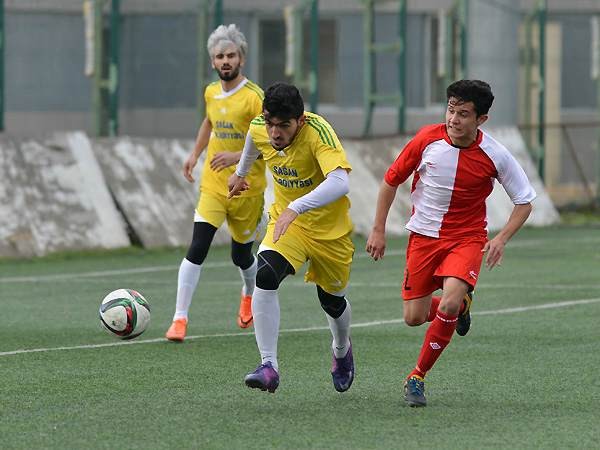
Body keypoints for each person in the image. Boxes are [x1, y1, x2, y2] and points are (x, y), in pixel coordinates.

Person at [366, 80, 536, 407]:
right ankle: (461, 308)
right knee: (413, 317)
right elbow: (390, 181)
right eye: (450, 110)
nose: (453, 119)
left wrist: (501, 238)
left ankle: (417, 376)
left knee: (447, 303)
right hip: (423, 237)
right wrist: (378, 230)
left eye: (463, 114)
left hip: (467, 239)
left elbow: (524, 201)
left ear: (481, 119)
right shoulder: (426, 139)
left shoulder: (496, 155)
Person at [228, 82, 355, 394]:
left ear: (300, 120)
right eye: (270, 124)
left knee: (332, 301)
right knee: (265, 275)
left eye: (284, 125)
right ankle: (268, 366)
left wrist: (296, 207)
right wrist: (241, 173)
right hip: (288, 225)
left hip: (329, 231)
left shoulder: (318, 132)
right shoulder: (261, 126)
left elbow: (340, 182)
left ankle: (341, 348)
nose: (274, 133)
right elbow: (253, 139)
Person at [165, 24, 267, 341]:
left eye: (231, 55)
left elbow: (270, 140)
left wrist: (237, 157)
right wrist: (195, 154)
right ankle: (179, 319)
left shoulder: (254, 98)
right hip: (213, 185)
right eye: (220, 56)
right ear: (212, 61)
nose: (225, 61)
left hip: (247, 189)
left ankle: (248, 294)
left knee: (241, 256)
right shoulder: (210, 92)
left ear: (242, 59)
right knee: (198, 247)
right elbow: (209, 122)